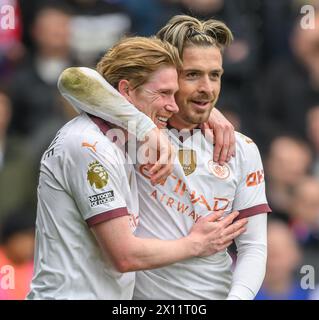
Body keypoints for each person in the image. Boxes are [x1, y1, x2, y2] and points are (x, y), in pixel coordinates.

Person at [65, 15, 271, 300]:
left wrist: (237, 298)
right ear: (170, 75)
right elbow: (74, 81)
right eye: (192, 74)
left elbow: (254, 247)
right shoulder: (124, 133)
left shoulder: (241, 147)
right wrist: (146, 129)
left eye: (215, 75)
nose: (207, 88)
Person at [27, 36, 247, 300]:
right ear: (126, 91)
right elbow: (124, 255)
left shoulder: (121, 139)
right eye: (164, 93)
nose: (173, 105)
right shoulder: (88, 145)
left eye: (174, 94)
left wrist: (209, 110)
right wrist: (196, 244)